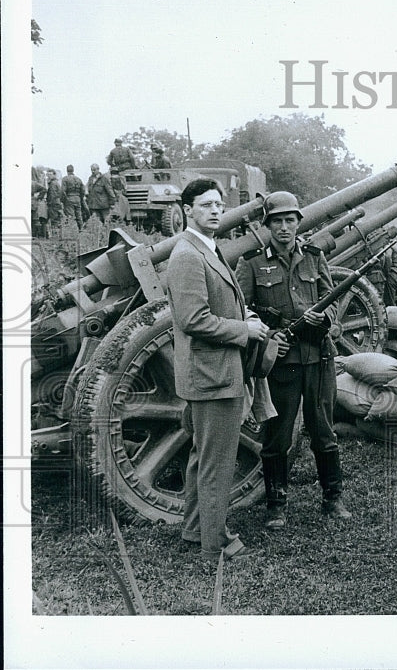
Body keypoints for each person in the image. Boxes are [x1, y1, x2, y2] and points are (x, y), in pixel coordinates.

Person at [166, 178, 270, 561]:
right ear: (187, 211)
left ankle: (196, 530)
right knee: (217, 464)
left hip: (213, 372)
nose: (215, 210)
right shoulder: (188, 255)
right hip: (213, 376)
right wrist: (245, 330)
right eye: (206, 204)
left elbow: (217, 306)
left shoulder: (205, 249)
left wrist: (246, 315)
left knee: (202, 458)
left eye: (219, 204)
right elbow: (194, 319)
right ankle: (216, 544)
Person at [236, 191, 352, 526]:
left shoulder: (314, 257)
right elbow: (244, 310)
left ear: (299, 222)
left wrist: (325, 320)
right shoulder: (253, 262)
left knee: (324, 430)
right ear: (268, 224)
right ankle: (275, 505)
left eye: (290, 220)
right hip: (281, 360)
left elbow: (331, 299)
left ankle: (333, 500)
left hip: (318, 357)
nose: (284, 227)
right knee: (278, 434)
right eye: (277, 221)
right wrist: (271, 337)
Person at [61, 165, 87, 230]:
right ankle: (81, 229)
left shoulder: (65, 179)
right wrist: (80, 198)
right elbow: (83, 190)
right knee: (79, 215)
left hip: (69, 198)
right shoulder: (78, 179)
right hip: (77, 198)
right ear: (73, 170)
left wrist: (63, 200)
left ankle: (71, 230)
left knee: (70, 216)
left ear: (67, 170)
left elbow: (62, 191)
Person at [46, 171, 64, 235]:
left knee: (54, 220)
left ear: (54, 175)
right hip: (57, 203)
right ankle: (59, 234)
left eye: (50, 174)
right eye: (48, 175)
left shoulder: (53, 184)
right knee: (57, 219)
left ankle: (55, 235)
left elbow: (52, 195)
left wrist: (49, 203)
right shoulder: (56, 183)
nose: (49, 176)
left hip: (53, 204)